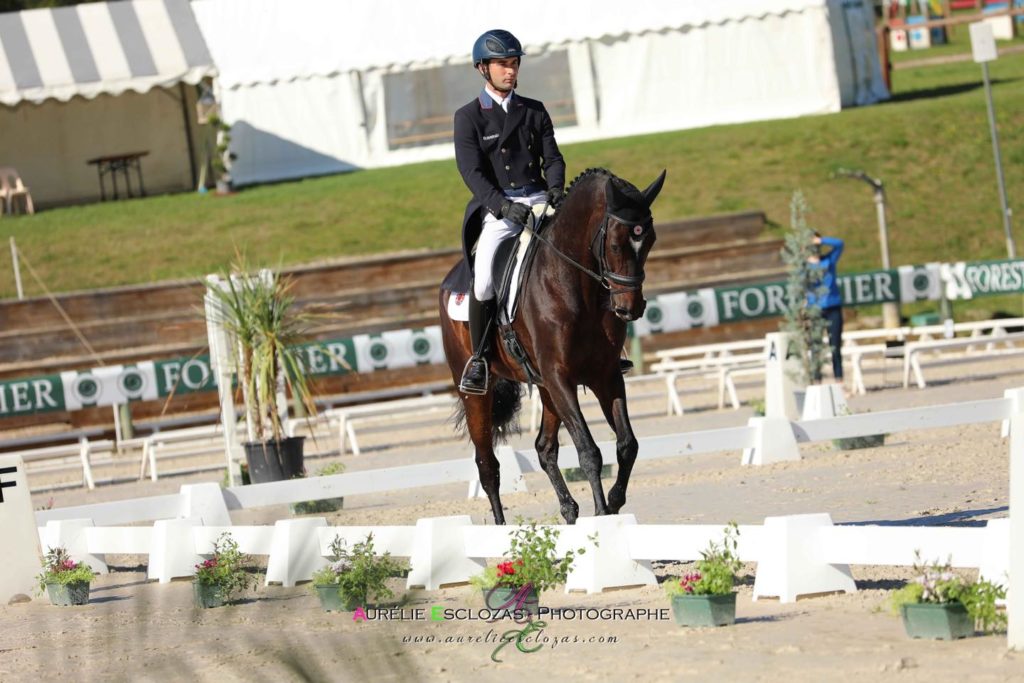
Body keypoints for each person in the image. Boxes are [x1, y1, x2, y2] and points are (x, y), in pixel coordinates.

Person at [453, 29, 565, 395]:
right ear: (483, 68)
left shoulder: (533, 110)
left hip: (538, 201)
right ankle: (481, 360)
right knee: (484, 279)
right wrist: (502, 206)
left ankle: (604, 342)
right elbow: (472, 172)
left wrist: (555, 191)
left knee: (579, 253)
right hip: (500, 209)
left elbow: (552, 157)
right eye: (503, 64)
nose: (510, 71)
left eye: (514, 64)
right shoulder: (468, 117)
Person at [807, 233, 845, 384]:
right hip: (815, 309)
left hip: (833, 307)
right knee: (815, 347)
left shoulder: (829, 260)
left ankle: (839, 381)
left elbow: (840, 243)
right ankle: (817, 381)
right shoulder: (804, 267)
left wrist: (821, 240)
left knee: (835, 346)